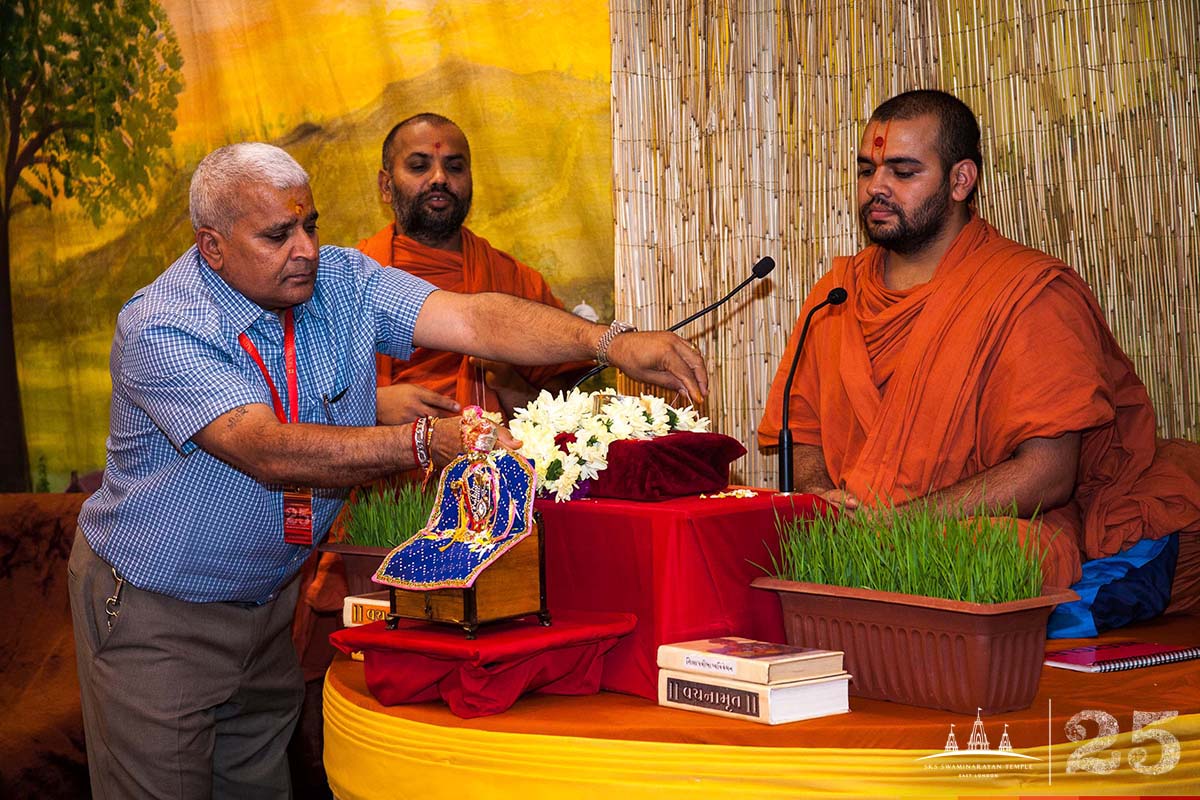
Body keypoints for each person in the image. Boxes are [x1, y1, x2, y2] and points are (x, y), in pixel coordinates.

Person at [69, 142, 706, 799]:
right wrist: (424, 441)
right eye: (278, 234)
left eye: (310, 224)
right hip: (158, 610)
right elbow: (264, 448)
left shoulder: (342, 282)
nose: (306, 249)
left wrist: (608, 341)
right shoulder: (162, 325)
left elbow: (471, 316)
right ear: (212, 246)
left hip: (265, 608)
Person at [758, 89, 1200, 590]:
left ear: (960, 180)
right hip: (854, 529)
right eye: (866, 170)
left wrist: (902, 524)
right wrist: (820, 498)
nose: (876, 187)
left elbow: (1050, 473)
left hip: (973, 529)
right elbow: (802, 435)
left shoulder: (1027, 293)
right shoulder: (837, 295)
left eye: (902, 173)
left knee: (1004, 555)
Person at [358, 112, 593, 421]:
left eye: (455, 167)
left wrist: (512, 387)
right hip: (385, 464)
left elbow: (567, 395)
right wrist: (369, 406)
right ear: (386, 186)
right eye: (419, 166)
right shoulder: (349, 280)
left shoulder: (511, 278)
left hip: (493, 464)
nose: (440, 178)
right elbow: (301, 396)